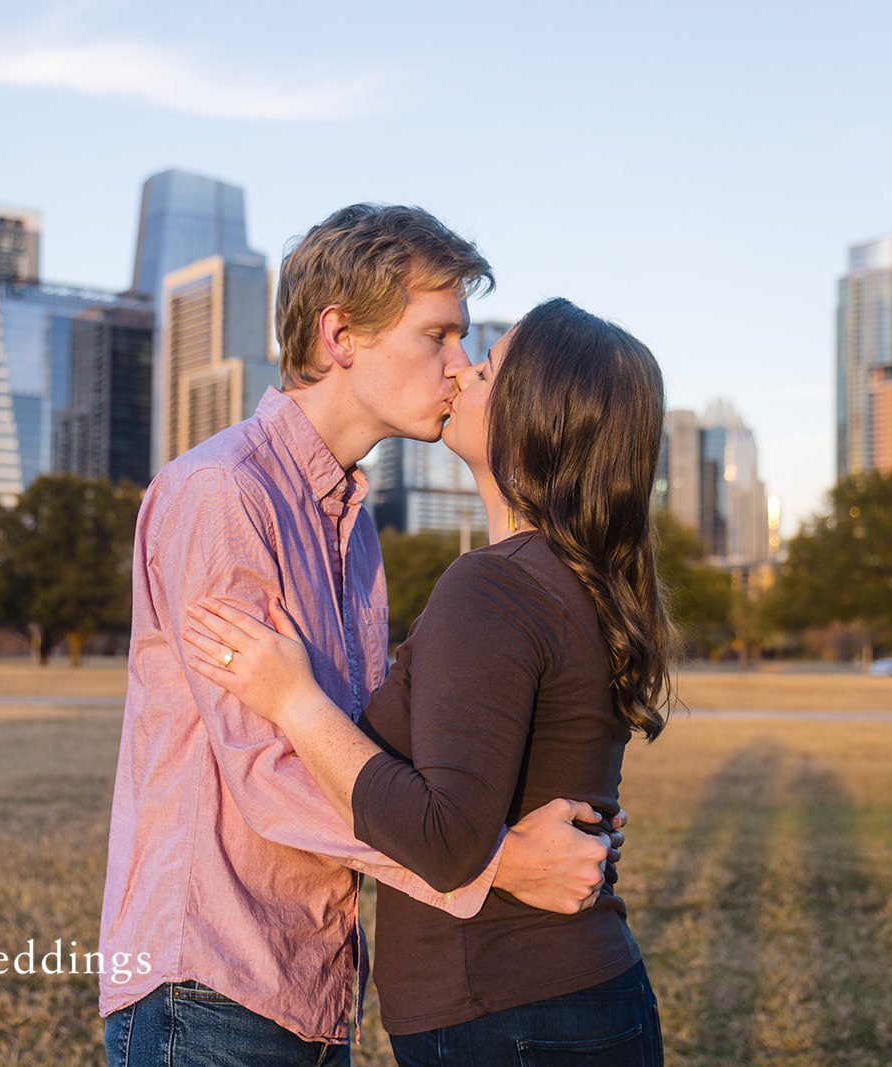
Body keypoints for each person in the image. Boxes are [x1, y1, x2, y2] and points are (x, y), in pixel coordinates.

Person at [98, 207, 625, 1067]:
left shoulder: (354, 525)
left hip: (315, 984)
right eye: (438, 336)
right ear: (341, 335)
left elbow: (357, 747)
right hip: (210, 982)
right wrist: (498, 863)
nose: (461, 367)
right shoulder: (222, 494)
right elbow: (268, 772)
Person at [183, 297, 674, 1066]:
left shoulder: (493, 587)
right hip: (568, 1001)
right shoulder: (577, 580)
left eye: (484, 366)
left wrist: (294, 700)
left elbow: (445, 841)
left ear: (536, 415)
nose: (460, 372)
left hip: (510, 1015)